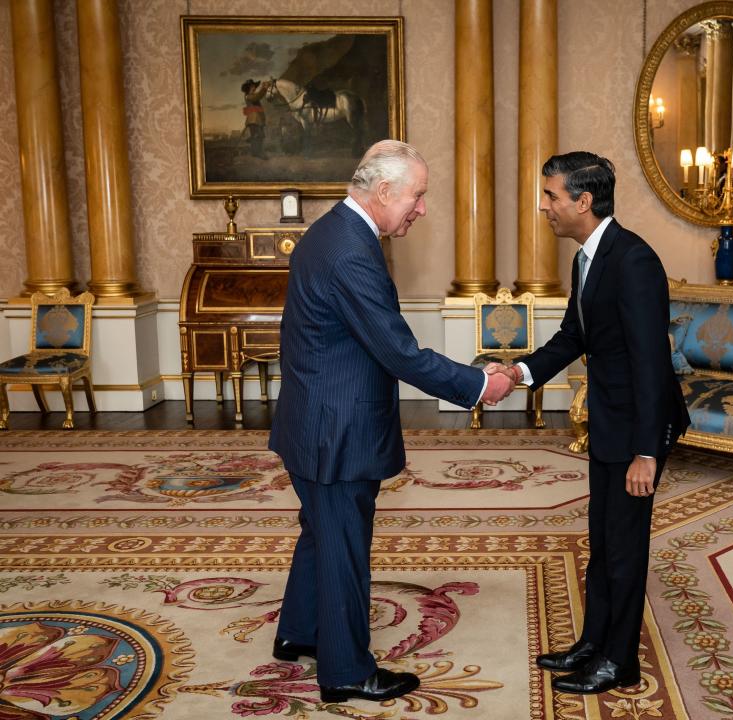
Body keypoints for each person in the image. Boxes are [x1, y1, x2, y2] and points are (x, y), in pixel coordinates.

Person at [268, 140, 514, 703]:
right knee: (343, 547)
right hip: (336, 430)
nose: (422, 209)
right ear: (383, 192)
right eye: (418, 196)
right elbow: (400, 352)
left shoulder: (332, 230)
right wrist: (479, 384)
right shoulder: (351, 250)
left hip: (314, 418)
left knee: (320, 532)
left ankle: (301, 633)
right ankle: (347, 672)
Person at [498, 151, 690, 694]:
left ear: (584, 201)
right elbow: (574, 337)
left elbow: (652, 362)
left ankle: (619, 661)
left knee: (626, 548)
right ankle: (593, 643)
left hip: (636, 432)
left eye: (552, 196)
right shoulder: (586, 258)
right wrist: (520, 371)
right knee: (603, 542)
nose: (545, 206)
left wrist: (647, 452)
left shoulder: (633, 261)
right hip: (610, 423)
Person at [241, 78, 268, 158]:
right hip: (254, 120)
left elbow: (257, 96)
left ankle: (255, 153)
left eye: (254, 86)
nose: (254, 88)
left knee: (257, 136)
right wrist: (264, 88)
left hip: (257, 119)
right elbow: (258, 96)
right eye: (252, 86)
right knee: (258, 135)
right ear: (248, 88)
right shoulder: (248, 96)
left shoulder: (251, 95)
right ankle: (258, 153)